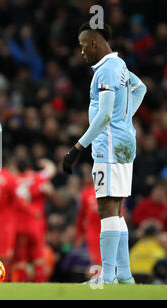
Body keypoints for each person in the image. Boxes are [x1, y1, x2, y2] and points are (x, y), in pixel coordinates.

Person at [62, 22, 147, 285]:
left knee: (107, 208)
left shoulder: (107, 70)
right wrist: (125, 118)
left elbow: (105, 113)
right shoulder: (119, 65)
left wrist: (77, 148)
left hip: (109, 146)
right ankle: (124, 275)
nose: (82, 51)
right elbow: (141, 88)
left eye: (83, 45)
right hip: (123, 141)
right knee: (116, 208)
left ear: (95, 42)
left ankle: (107, 278)